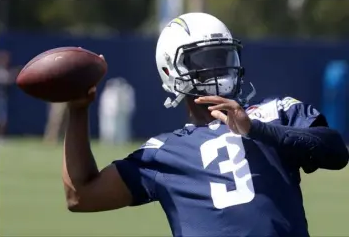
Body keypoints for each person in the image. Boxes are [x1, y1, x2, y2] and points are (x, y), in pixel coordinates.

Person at [62, 13, 349, 237]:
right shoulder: (163, 152)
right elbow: (80, 196)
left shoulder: (276, 112)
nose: (218, 69)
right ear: (170, 71)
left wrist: (254, 128)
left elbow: (336, 152)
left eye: (222, 57)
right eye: (204, 61)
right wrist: (78, 111)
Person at [99, 77, 135, 144]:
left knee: (121, 128)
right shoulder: (107, 93)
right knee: (108, 128)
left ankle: (121, 140)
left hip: (119, 113)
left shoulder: (126, 91)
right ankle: (108, 140)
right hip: (108, 113)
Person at [0, 51, 16, 139]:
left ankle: (1, 136)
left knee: (3, 118)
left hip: (2, 97)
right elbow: (5, 79)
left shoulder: (5, 69)